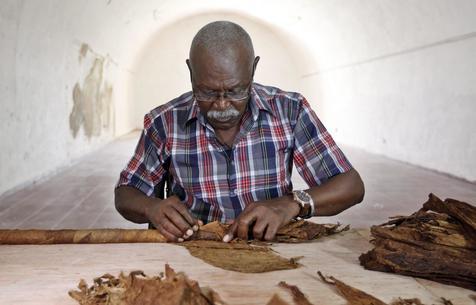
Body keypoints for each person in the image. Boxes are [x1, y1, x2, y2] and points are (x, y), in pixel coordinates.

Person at [115, 21, 365, 243]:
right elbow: (126, 193)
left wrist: (292, 204)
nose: (222, 105)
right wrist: (151, 208)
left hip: (270, 247)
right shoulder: (165, 122)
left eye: (235, 91)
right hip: (193, 250)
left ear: (253, 70)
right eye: (207, 92)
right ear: (191, 72)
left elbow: (350, 185)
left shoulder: (290, 111)